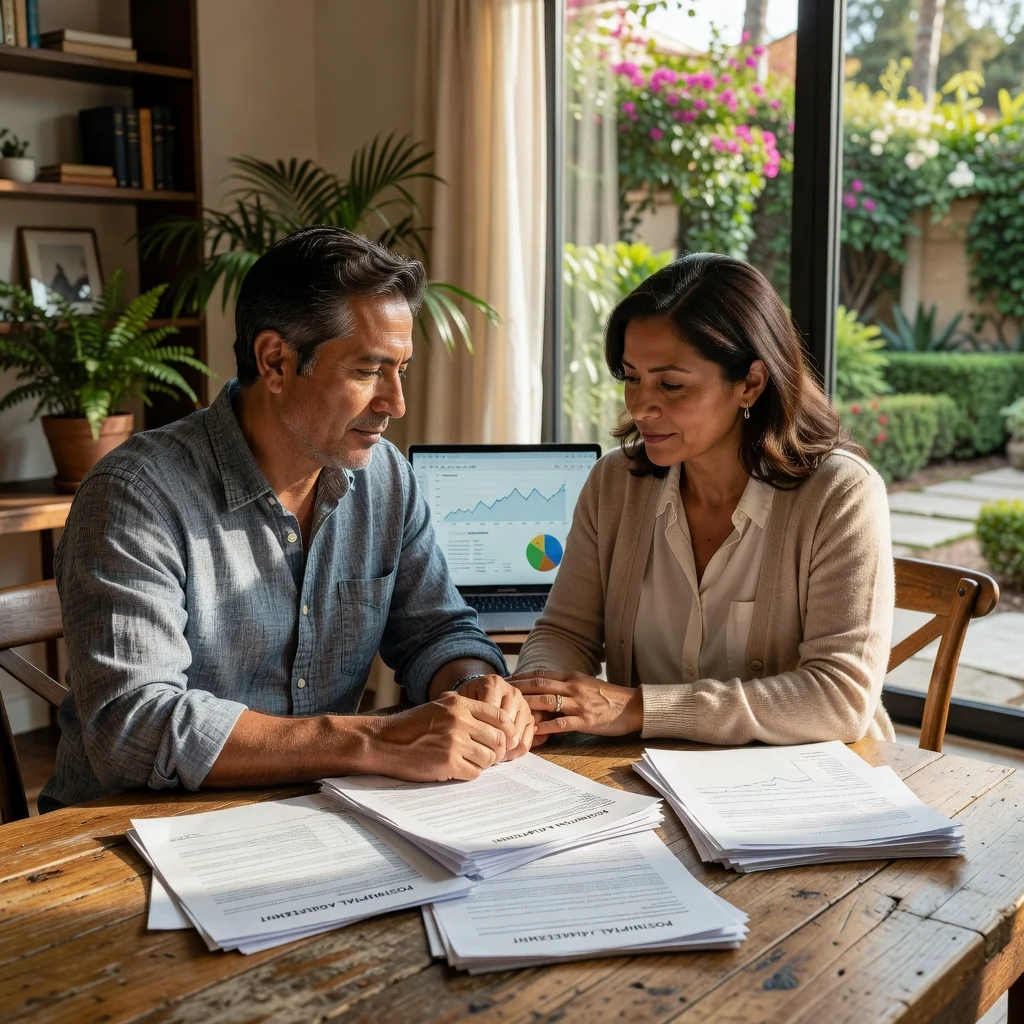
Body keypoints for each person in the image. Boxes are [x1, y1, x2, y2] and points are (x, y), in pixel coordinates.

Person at [40, 227, 533, 812]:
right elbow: (134, 726)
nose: (395, 403)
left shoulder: (385, 478)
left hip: (319, 814)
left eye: (402, 369)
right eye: (367, 370)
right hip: (130, 835)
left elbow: (437, 631)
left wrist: (474, 686)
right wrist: (373, 739)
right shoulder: (136, 496)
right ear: (275, 361)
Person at [514, 253, 895, 746]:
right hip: (639, 780)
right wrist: (538, 698)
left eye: (671, 385)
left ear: (750, 383)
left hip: (804, 795)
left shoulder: (841, 495)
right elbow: (565, 632)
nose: (641, 406)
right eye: (632, 377)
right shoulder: (615, 483)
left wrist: (640, 709)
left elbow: (838, 698)